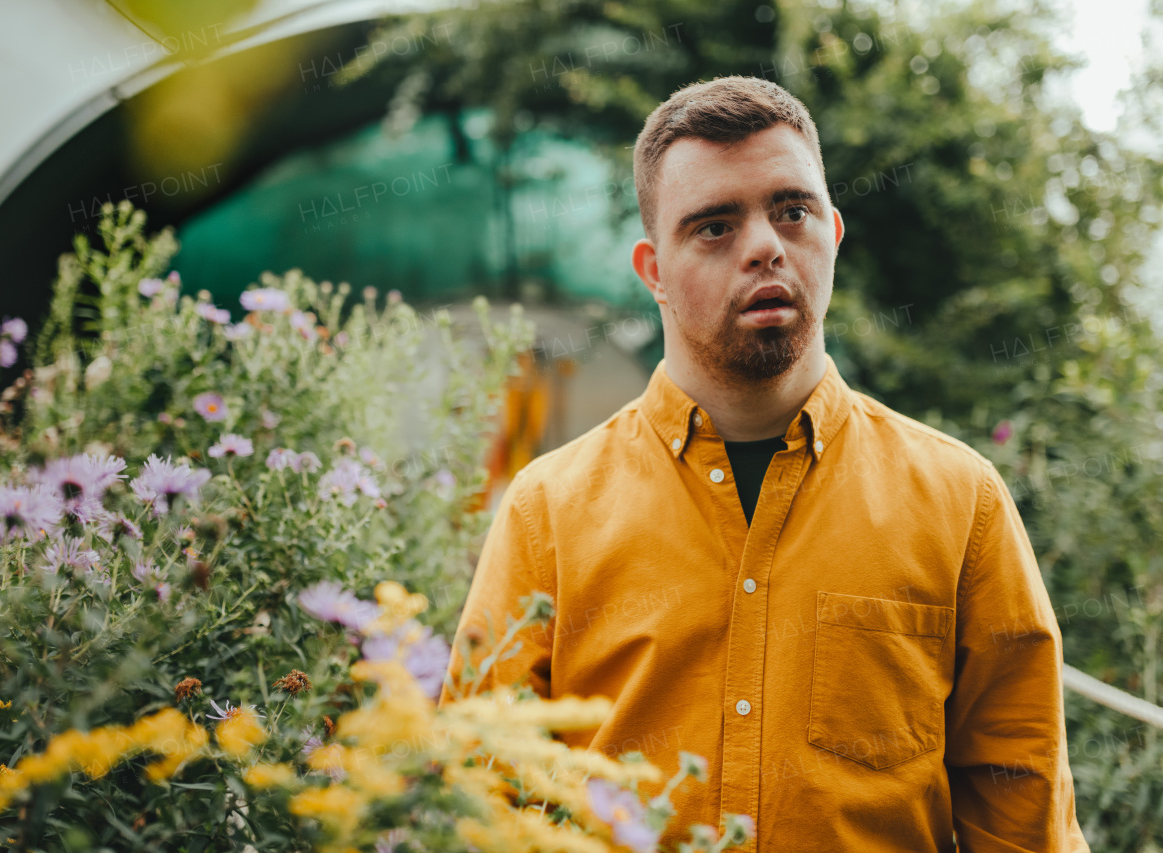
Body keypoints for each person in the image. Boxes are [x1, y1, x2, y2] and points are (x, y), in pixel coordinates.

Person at [437, 75, 1087, 852]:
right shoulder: (547, 512)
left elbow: (1023, 809)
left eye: (792, 210)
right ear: (653, 272)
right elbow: (477, 798)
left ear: (833, 233)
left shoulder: (961, 502)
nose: (765, 246)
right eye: (714, 226)